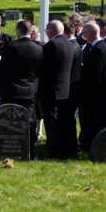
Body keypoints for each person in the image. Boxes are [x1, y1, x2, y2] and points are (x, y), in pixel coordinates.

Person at [0, 19, 43, 158]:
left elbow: (2, 69)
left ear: (18, 30)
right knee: (29, 121)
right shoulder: (39, 48)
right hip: (30, 90)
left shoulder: (12, 47)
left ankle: (9, 149)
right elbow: (41, 70)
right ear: (31, 31)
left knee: (9, 121)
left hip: (11, 89)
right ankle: (29, 151)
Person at [39, 20, 74, 158]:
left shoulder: (52, 44)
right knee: (61, 121)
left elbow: (44, 66)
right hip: (64, 88)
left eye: (47, 29)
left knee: (51, 121)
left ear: (51, 30)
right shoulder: (68, 43)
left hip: (51, 88)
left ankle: (54, 149)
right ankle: (62, 146)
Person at [78, 21, 106, 151]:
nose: (83, 35)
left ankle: (90, 145)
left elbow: (96, 74)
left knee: (92, 120)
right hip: (92, 92)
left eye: (84, 33)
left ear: (90, 33)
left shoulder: (99, 49)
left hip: (93, 93)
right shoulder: (95, 47)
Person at [61, 22, 83, 156]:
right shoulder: (77, 45)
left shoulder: (70, 47)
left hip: (69, 87)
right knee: (69, 118)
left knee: (67, 118)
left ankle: (69, 146)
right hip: (74, 86)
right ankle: (70, 144)